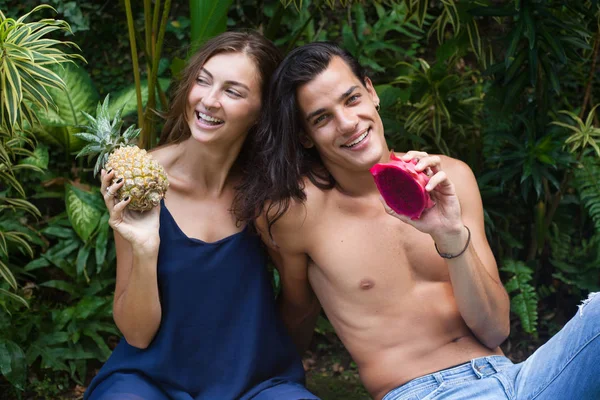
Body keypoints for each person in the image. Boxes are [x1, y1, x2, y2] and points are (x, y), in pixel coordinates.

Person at [236, 42, 600, 400]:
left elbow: (495, 331)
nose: (347, 124)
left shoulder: (450, 177)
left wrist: (451, 235)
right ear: (305, 137)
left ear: (371, 92)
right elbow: (298, 311)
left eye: (351, 99)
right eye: (322, 118)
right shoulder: (296, 214)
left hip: (517, 380)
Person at [84, 31, 320, 400]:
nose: (209, 101)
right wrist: (145, 247)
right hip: (149, 380)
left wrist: (275, 365)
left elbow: (300, 300)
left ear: (262, 111)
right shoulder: (138, 181)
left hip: (254, 383)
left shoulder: (270, 194)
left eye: (233, 91)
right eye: (203, 81)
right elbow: (136, 333)